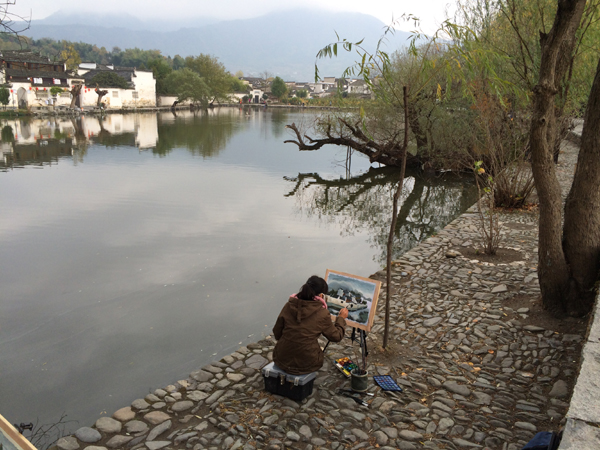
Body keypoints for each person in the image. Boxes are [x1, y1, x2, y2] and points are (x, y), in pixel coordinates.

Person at [273, 275, 348, 374]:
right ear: (321, 295)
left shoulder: (289, 305)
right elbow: (336, 336)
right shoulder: (322, 313)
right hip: (307, 364)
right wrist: (341, 318)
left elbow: (277, 332)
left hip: (281, 359)